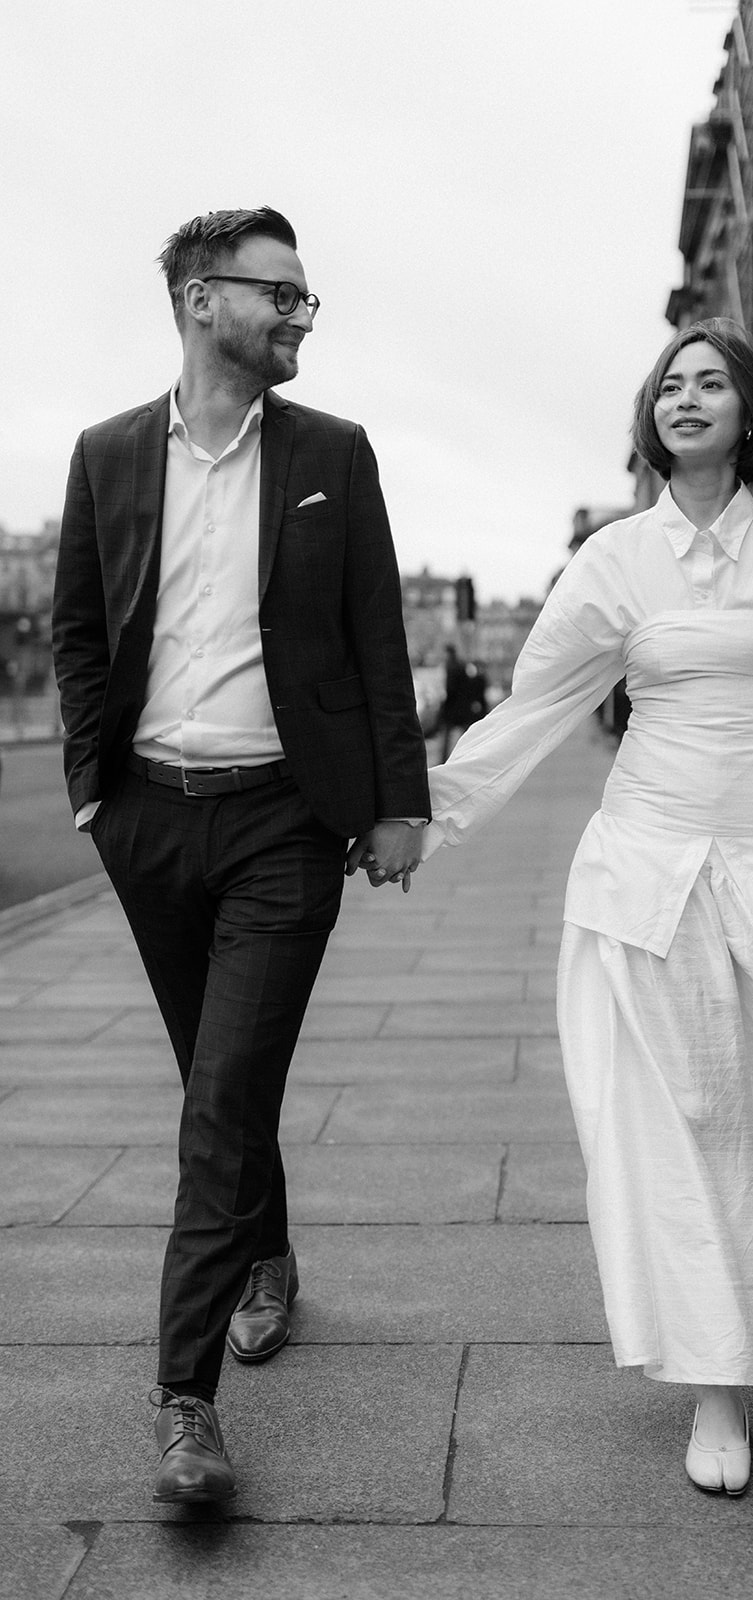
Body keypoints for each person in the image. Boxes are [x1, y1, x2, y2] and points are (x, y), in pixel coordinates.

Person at [421, 319, 753, 1496]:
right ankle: (715, 1387)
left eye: (711, 381)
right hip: (641, 875)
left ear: (746, 409)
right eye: (669, 383)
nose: (686, 397)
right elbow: (537, 700)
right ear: (649, 416)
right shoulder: (618, 559)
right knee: (677, 1129)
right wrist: (427, 809)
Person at [52, 208, 429, 1504]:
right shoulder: (106, 454)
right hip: (149, 818)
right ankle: (263, 1263)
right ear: (202, 299)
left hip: (283, 820)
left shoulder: (333, 453)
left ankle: (183, 1403)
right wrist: (91, 797)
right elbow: (80, 632)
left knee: (217, 1104)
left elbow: (375, 632)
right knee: (219, 1080)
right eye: (283, 295)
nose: (302, 316)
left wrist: (398, 801)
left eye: (309, 300)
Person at [438, 643, 487, 760]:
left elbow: (451, 689)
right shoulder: (461, 666)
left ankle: (445, 759)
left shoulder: (451, 667)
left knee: (449, 736)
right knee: (466, 734)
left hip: (453, 708)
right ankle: (467, 756)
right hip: (463, 708)